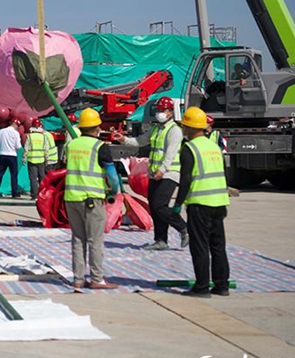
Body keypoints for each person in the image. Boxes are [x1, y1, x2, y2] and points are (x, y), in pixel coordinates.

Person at [112, 97, 189, 250]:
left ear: (170, 112)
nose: (160, 113)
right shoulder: (156, 129)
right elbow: (140, 141)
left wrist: (162, 169)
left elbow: (170, 154)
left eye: (163, 110)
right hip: (155, 173)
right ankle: (161, 240)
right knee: (154, 207)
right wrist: (123, 140)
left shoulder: (174, 131)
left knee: (160, 206)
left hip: (169, 174)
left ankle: (184, 228)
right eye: (159, 110)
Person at [173, 107, 231, 298]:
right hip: (219, 203)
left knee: (199, 246)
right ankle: (222, 286)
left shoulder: (189, 148)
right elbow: (223, 173)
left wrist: (178, 203)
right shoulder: (214, 147)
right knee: (218, 246)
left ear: (188, 127)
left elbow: (186, 180)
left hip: (200, 203)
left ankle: (202, 286)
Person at [64, 108, 119, 289]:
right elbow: (112, 175)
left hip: (71, 197)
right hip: (91, 199)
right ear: (97, 128)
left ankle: (78, 279)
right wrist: (114, 192)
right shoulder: (100, 147)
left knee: (78, 239)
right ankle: (97, 279)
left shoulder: (71, 145)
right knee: (95, 240)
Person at [23, 118, 50, 199]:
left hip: (32, 160)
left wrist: (24, 159)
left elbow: (26, 149)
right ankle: (42, 193)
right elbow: (46, 149)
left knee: (33, 178)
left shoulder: (30, 137)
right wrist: (47, 159)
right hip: (41, 160)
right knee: (42, 177)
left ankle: (34, 195)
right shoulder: (43, 137)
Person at [0, 119, 22, 198]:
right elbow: (18, 146)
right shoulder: (16, 133)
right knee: (13, 175)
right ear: (15, 125)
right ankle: (14, 192)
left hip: (2, 154)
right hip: (12, 155)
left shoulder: (2, 131)